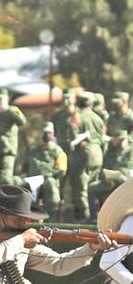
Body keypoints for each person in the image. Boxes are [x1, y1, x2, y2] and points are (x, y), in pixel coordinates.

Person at [69, 91, 106, 221]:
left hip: (84, 156)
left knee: (81, 189)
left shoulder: (77, 117)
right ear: (91, 104)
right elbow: (102, 138)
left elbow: (73, 138)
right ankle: (95, 217)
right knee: (93, 187)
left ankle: (83, 219)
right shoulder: (98, 118)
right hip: (98, 155)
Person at [25, 123, 68, 221]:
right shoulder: (33, 150)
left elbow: (61, 170)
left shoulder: (58, 151)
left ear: (53, 134)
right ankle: (30, 220)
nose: (46, 135)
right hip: (33, 181)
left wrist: (47, 176)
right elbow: (25, 166)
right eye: (44, 133)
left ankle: (52, 220)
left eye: (49, 133)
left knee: (50, 184)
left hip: (49, 181)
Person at [0, 89, 27, 186]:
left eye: (0, 100)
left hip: (8, 151)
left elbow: (22, 122)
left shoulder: (11, 112)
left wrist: (8, 109)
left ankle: (23, 183)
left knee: (5, 178)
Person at [90, 128, 133, 212]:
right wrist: (105, 176)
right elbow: (105, 166)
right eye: (116, 139)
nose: (119, 142)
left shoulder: (131, 150)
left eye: (121, 140)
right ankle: (94, 216)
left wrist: (117, 174)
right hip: (109, 181)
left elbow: (128, 167)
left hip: (125, 180)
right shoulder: (110, 151)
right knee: (92, 188)